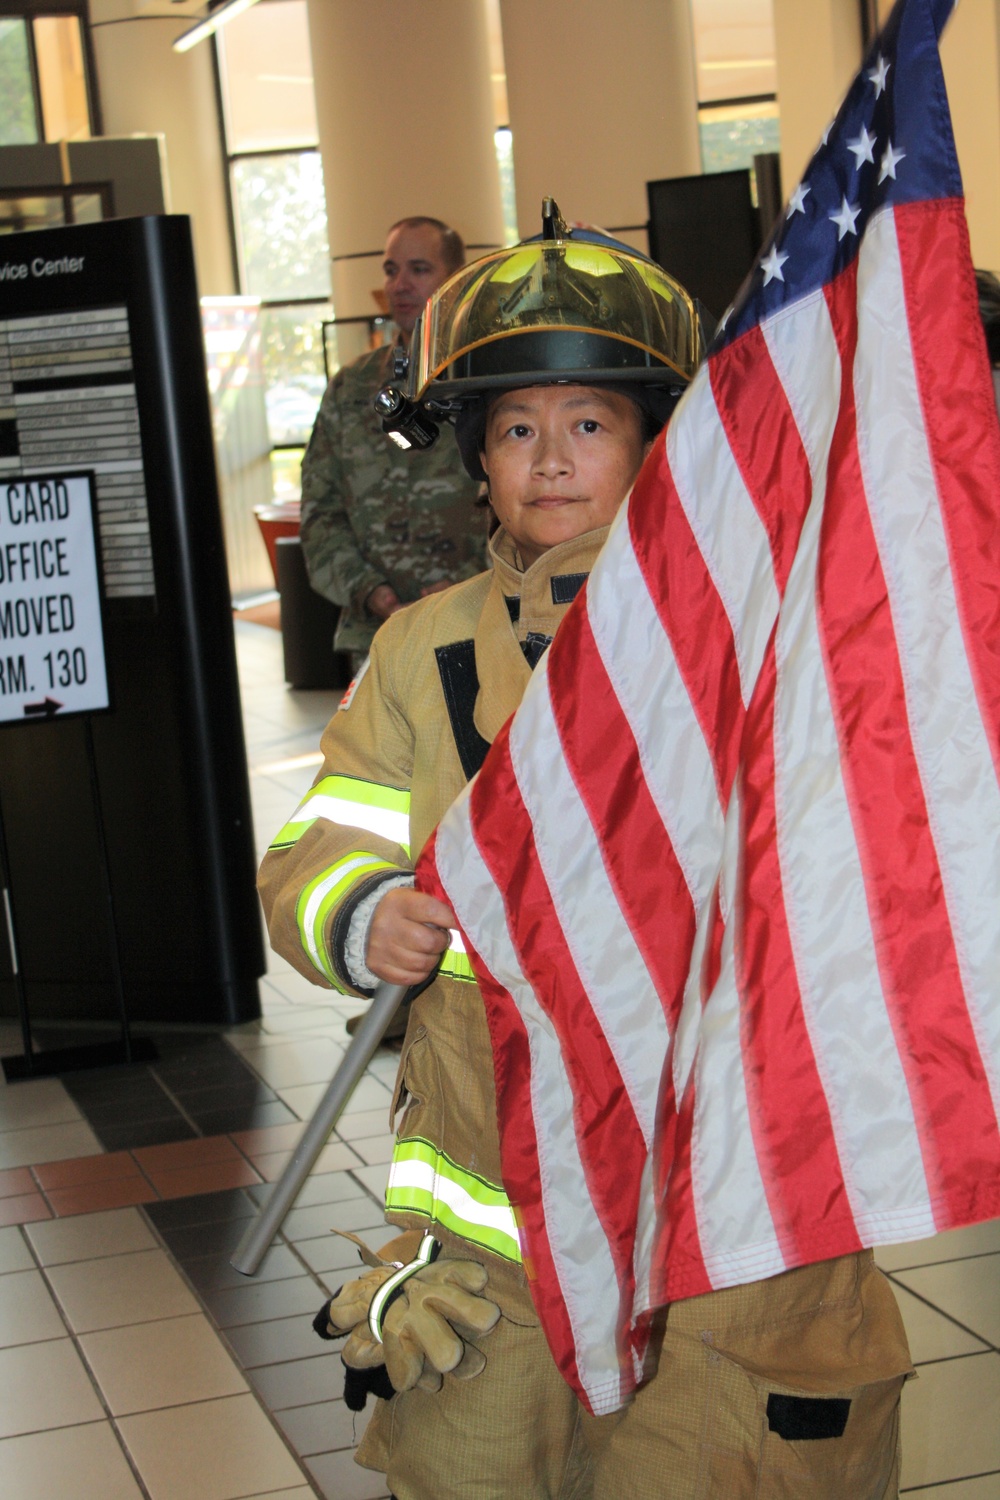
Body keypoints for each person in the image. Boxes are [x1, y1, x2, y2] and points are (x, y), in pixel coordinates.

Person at [259, 206, 912, 1500]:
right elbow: (321, 838)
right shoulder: (422, 655)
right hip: (493, 1251)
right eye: (516, 429)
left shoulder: (760, 625)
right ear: (479, 462)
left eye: (590, 424)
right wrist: (359, 909)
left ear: (654, 440)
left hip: (728, 1242)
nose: (550, 458)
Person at [299, 215, 487, 665]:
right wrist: (376, 596)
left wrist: (463, 588)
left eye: (419, 269)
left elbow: (527, 511)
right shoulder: (352, 387)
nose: (399, 284)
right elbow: (319, 515)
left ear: (455, 281)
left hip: (478, 629)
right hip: (375, 638)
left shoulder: (491, 383)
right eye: (390, 270)